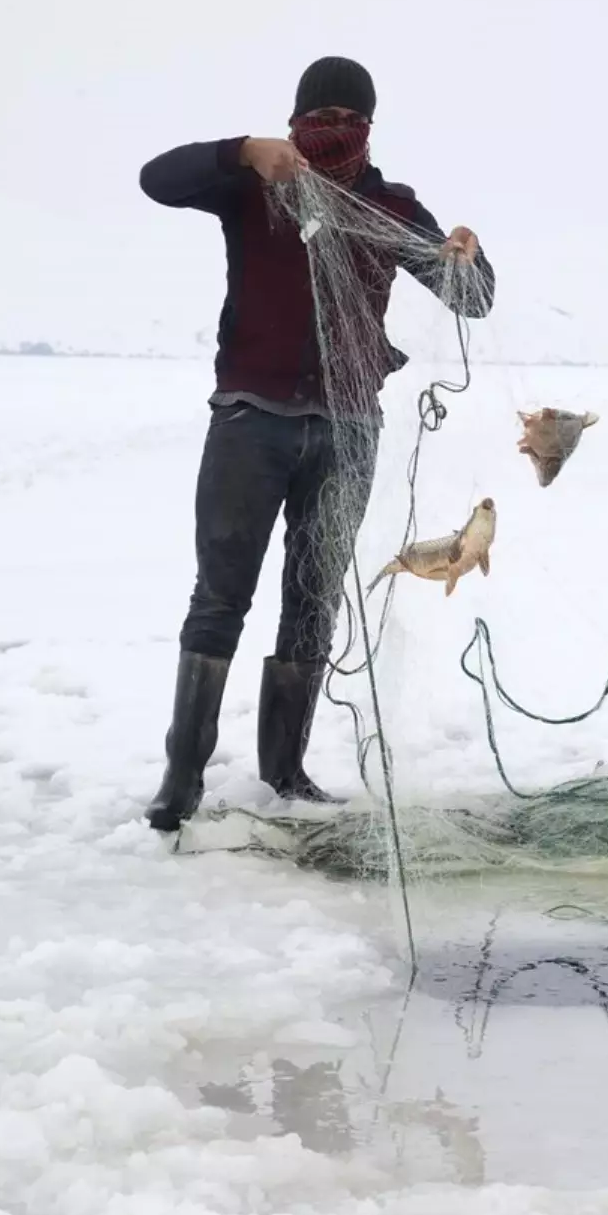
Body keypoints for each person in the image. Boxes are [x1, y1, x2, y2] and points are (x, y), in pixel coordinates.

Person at [140, 55, 495, 832]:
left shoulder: (389, 205)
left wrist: (469, 254)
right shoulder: (256, 183)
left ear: (370, 127)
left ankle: (286, 769)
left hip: (348, 427)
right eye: (319, 116)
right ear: (295, 118)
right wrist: (241, 149)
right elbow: (155, 179)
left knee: (312, 599)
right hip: (249, 420)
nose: (333, 129)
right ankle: (182, 777)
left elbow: (473, 299)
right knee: (220, 596)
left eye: (349, 118)